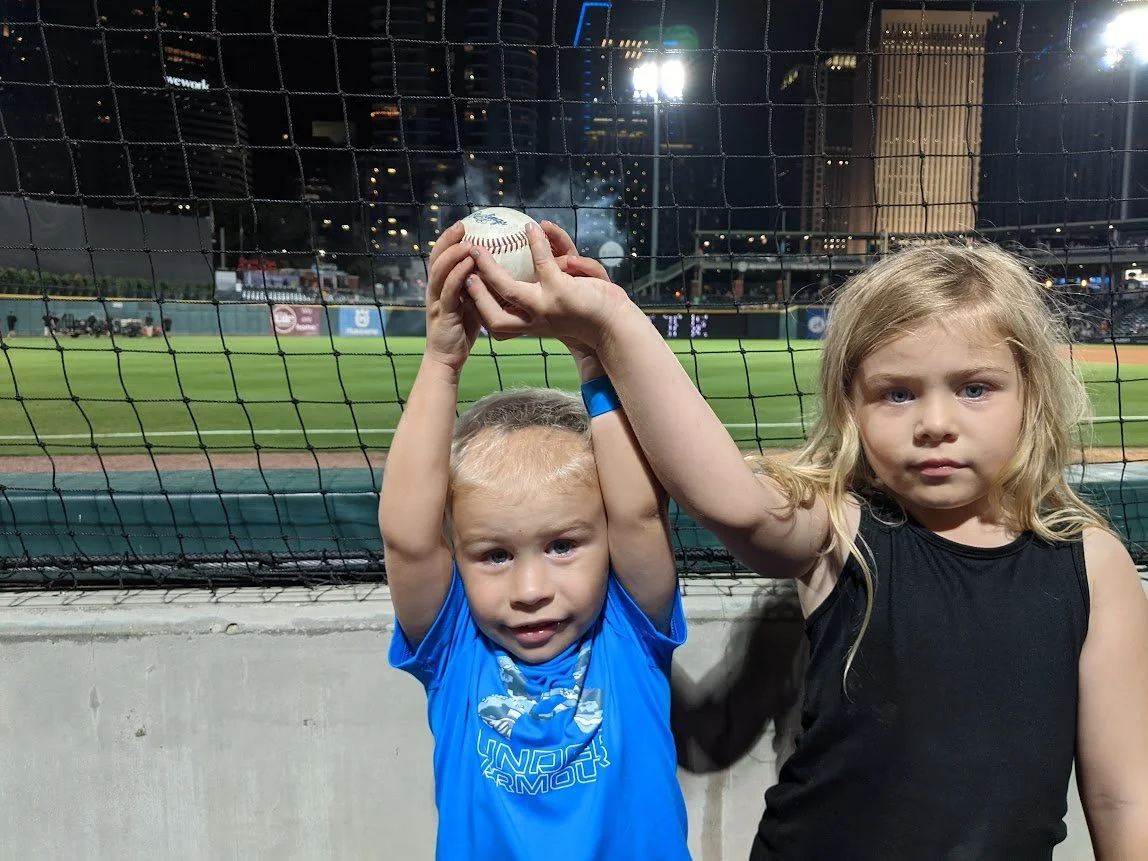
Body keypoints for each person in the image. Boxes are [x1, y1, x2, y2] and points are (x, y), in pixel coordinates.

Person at [464, 232, 1148, 858]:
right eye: (896, 394)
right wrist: (611, 323)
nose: (935, 422)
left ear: (1030, 395)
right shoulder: (842, 528)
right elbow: (731, 499)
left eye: (975, 388)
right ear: (851, 408)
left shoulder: (1092, 565)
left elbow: (1123, 798)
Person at [379, 220, 689, 860]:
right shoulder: (455, 648)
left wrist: (594, 352)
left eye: (563, 546)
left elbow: (637, 511)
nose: (530, 590)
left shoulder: (627, 630)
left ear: (605, 541)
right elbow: (408, 540)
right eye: (495, 555)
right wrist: (442, 360)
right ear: (459, 556)